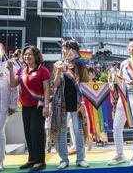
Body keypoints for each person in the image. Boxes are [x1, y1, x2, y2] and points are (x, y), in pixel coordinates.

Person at [7, 45, 50, 171]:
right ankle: (31, 159)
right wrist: (10, 70)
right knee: (28, 133)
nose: (27, 56)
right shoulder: (22, 70)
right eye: (25, 54)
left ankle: (40, 161)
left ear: (36, 56)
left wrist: (46, 106)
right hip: (25, 106)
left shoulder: (43, 70)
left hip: (38, 106)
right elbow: (13, 84)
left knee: (36, 133)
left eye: (30, 54)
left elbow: (47, 88)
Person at [52, 41, 89, 170]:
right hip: (61, 103)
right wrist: (58, 71)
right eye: (63, 49)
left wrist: (79, 62)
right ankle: (63, 159)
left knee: (78, 131)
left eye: (67, 49)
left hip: (77, 103)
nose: (65, 51)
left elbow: (86, 82)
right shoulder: (58, 65)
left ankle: (81, 158)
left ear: (74, 50)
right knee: (62, 132)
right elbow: (55, 85)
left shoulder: (80, 65)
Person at [108, 39, 133, 166]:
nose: (128, 48)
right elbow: (122, 80)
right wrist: (115, 77)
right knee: (117, 126)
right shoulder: (124, 63)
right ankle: (119, 154)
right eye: (128, 46)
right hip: (123, 98)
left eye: (131, 46)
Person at [0, 46, 18, 172]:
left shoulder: (8, 65)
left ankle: (0, 160)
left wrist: (12, 105)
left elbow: (14, 87)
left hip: (2, 105)